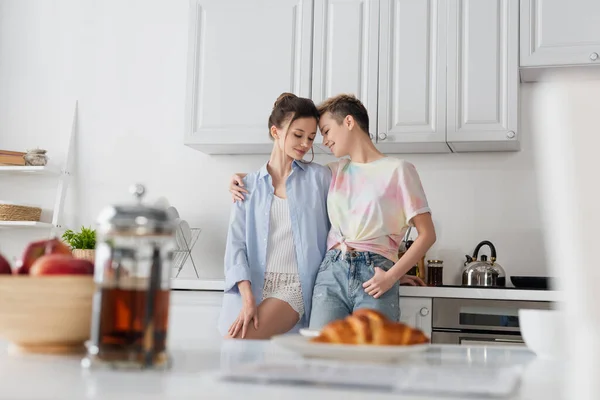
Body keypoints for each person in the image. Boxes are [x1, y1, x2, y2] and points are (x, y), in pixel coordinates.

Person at [229, 94, 436, 330]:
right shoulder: (333, 171)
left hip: (375, 272)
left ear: (348, 122)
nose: (323, 141)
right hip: (330, 272)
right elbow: (284, 176)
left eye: (325, 131)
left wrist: (393, 275)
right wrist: (240, 178)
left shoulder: (399, 170)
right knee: (321, 355)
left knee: (372, 358)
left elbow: (427, 234)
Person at [218, 93, 331, 339]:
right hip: (253, 285)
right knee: (245, 362)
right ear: (275, 131)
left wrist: (389, 264)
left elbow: (351, 222)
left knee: (239, 339)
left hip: (296, 285)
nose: (305, 144)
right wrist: (247, 298)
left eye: (312, 138)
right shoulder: (246, 185)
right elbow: (236, 246)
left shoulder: (320, 178)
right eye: (298, 135)